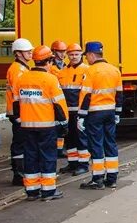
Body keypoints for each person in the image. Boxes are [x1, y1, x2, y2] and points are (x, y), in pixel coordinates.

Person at [14, 45, 68, 201]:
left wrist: (19, 119)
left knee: (30, 157)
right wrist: (64, 123)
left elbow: (16, 103)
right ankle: (48, 191)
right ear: (49, 61)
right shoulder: (50, 79)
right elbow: (59, 104)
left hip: (27, 127)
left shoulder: (22, 78)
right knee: (48, 157)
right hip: (46, 126)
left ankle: (32, 190)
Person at [77, 41, 122, 189]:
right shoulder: (115, 70)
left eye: (86, 56)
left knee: (96, 144)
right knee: (110, 143)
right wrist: (117, 112)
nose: (86, 59)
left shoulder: (90, 71)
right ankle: (112, 178)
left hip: (94, 113)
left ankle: (97, 179)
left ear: (91, 54)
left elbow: (85, 95)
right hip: (110, 112)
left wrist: (81, 116)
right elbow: (119, 94)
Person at [5, 38, 34, 186]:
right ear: (18, 53)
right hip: (18, 112)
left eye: (30, 51)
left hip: (19, 112)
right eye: (27, 51)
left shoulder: (23, 68)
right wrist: (18, 115)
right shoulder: (17, 70)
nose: (30, 53)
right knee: (20, 143)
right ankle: (19, 174)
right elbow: (19, 94)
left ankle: (21, 172)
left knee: (22, 142)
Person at [59, 43, 88, 175]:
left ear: (81, 54)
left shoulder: (86, 70)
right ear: (67, 55)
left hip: (80, 111)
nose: (74, 57)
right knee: (69, 138)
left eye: (77, 54)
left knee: (81, 138)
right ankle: (72, 163)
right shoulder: (62, 72)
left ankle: (83, 164)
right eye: (71, 54)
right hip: (67, 111)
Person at [49, 40, 69, 160]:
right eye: (60, 52)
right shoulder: (51, 67)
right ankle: (54, 149)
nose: (62, 54)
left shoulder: (65, 66)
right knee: (55, 125)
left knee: (61, 126)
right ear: (54, 52)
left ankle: (59, 149)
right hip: (54, 98)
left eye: (64, 52)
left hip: (62, 98)